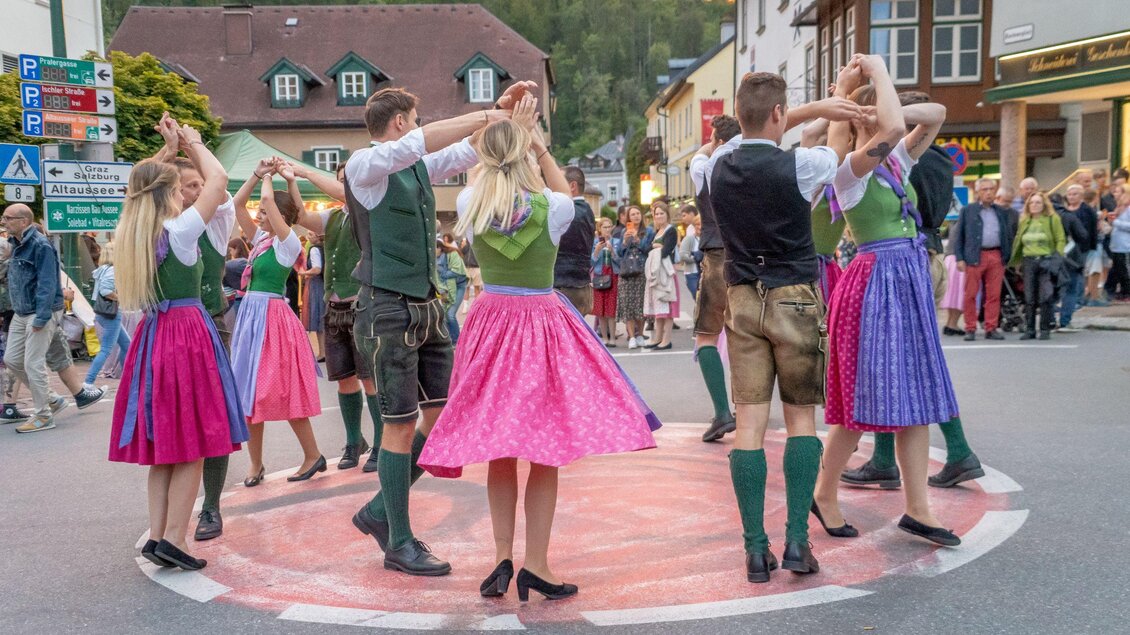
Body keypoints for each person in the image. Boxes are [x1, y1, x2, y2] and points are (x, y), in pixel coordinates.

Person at [417, 99, 658, 599]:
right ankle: (538, 564)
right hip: (540, 326)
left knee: (500, 453)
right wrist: (537, 144)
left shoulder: (471, 206)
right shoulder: (557, 208)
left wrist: (508, 135)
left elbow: (488, 181)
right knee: (543, 452)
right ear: (527, 153)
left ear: (484, 158)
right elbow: (560, 188)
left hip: (490, 325)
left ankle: (501, 559)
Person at [347, 83, 531, 576]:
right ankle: (399, 543)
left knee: (442, 420)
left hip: (425, 306)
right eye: (416, 116)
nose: (419, 124)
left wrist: (507, 119)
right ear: (402, 122)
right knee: (400, 425)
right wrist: (487, 112)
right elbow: (426, 142)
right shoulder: (363, 168)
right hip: (386, 310)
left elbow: (463, 150)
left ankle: (380, 512)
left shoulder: (417, 168)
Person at [706, 70, 863, 582]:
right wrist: (835, 101)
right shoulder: (804, 164)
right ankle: (798, 541)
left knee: (748, 426)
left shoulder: (712, 166)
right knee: (801, 421)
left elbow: (756, 128)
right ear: (779, 114)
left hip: (743, 297)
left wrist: (780, 114)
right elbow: (837, 140)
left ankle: (756, 550)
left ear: (737, 111)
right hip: (796, 295)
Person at [813, 54, 961, 549]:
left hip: (906, 281)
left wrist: (870, 106)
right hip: (874, 284)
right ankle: (823, 492)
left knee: (914, 401)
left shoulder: (894, 163)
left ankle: (918, 509)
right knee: (860, 406)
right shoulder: (849, 174)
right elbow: (897, 122)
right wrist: (875, 72)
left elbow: (935, 114)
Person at [108, 123, 248, 571]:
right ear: (170, 192)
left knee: (164, 446)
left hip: (154, 334)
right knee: (193, 442)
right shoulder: (182, 229)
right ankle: (175, 538)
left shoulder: (133, 234)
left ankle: (157, 535)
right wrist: (193, 143)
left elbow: (140, 187)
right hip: (186, 331)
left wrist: (168, 152)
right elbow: (220, 181)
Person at [841, 93, 986, 491]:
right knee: (910, 359)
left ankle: (945, 452)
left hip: (905, 260)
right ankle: (899, 458)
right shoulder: (938, 158)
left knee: (904, 361)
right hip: (925, 254)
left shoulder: (904, 156)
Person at [280, 161, 385, 472]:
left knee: (370, 380)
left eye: (346, 180)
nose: (343, 186)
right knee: (344, 380)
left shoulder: (371, 208)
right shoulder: (334, 216)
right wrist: (291, 182)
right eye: (340, 180)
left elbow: (348, 194)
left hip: (363, 306)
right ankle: (355, 441)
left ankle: (381, 442)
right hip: (335, 306)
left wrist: (307, 173)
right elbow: (301, 217)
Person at [230, 163, 325, 487]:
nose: (259, 215)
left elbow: (267, 202)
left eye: (266, 213)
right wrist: (256, 174)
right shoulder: (262, 241)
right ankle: (255, 464)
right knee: (248, 393)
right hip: (252, 319)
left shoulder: (289, 245)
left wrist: (269, 176)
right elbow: (238, 204)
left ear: (281, 217)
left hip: (272, 320)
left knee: (281, 390)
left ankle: (312, 455)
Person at [690, 114, 742, 441]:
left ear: (716, 139)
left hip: (718, 252)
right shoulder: (756, 160)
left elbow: (699, 156)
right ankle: (750, 412)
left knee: (706, 333)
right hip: (753, 253)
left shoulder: (705, 166)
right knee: (748, 336)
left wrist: (710, 145)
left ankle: (722, 411)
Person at [1, 204, 65, 432]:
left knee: (32, 363)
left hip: (39, 311)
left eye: (8, 218)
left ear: (24, 221)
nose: (4, 221)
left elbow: (47, 283)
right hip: (21, 311)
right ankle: (52, 399)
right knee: (12, 359)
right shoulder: (16, 243)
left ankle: (43, 415)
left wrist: (41, 317)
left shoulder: (40, 245)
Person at [953, 178, 1015, 341]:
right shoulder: (968, 211)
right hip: (974, 256)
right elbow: (959, 236)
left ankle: (991, 327)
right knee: (970, 294)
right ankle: (970, 327)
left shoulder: (1001, 211)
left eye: (991, 189)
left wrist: (1006, 256)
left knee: (994, 295)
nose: (988, 192)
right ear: (978, 192)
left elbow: (1007, 234)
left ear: (995, 192)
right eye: (984, 189)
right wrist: (959, 258)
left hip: (996, 255)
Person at [1009, 192, 1066, 340]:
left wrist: (1057, 258)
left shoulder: (1052, 219)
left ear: (1044, 204)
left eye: (1038, 202)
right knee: (1029, 297)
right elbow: (1019, 241)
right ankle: (1030, 329)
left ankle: (1045, 329)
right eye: (1032, 202)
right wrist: (1017, 261)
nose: (1034, 205)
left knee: (1046, 296)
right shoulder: (1025, 220)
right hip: (1028, 261)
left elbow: (1060, 239)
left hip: (1046, 260)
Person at [84, 242, 131, 389]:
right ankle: (88, 382)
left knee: (127, 345)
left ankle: (127, 379)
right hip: (112, 313)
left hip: (103, 314)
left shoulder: (102, 270)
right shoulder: (112, 270)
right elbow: (105, 291)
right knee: (106, 349)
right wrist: (121, 298)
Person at [553, 167, 596, 315]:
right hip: (578, 286)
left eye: (557, 180)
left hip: (566, 287)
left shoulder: (572, 212)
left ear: (572, 186)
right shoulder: (585, 209)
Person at [1056, 184, 1098, 330]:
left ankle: (1072, 308)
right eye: (1069, 193)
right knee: (1068, 282)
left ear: (1081, 196)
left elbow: (1090, 232)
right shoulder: (1063, 211)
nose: (1072, 196)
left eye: (1075, 194)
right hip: (1064, 251)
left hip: (1080, 251)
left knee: (1074, 280)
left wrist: (1088, 249)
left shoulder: (1087, 211)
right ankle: (1066, 312)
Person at [643, 203, 678, 349]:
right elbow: (646, 249)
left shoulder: (671, 231)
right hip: (656, 273)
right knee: (658, 309)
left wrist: (656, 247)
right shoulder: (657, 231)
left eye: (661, 213)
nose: (658, 216)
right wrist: (656, 246)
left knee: (667, 308)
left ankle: (666, 339)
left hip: (666, 273)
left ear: (667, 215)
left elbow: (666, 251)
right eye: (656, 214)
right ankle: (657, 338)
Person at [616, 206, 650, 349]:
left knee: (640, 304)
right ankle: (631, 336)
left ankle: (640, 334)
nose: (636, 216)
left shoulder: (648, 231)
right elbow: (619, 252)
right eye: (632, 214)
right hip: (626, 273)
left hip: (641, 271)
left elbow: (648, 249)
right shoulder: (624, 231)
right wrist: (624, 241)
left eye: (637, 214)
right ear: (628, 218)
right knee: (628, 305)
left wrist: (637, 239)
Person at [591, 217, 621, 345]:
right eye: (605, 227)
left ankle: (613, 338)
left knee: (611, 308)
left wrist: (612, 251)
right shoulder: (594, 243)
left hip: (612, 275)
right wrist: (597, 251)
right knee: (600, 309)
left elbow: (619, 261)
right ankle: (604, 338)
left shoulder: (617, 242)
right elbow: (591, 262)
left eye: (609, 227)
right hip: (599, 275)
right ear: (599, 229)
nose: (608, 230)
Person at [437, 239, 468, 346]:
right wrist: (441, 291)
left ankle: (457, 341)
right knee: (444, 314)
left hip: (459, 285)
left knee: (450, 314)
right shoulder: (433, 259)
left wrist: (444, 274)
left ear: (439, 248)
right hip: (445, 288)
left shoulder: (452, 253)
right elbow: (436, 278)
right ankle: (449, 340)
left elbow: (457, 271)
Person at [302, 232, 327, 361]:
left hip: (316, 285)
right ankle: (324, 351)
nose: (308, 236)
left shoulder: (314, 249)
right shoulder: (325, 247)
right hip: (323, 283)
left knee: (318, 317)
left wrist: (304, 272)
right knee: (322, 317)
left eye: (311, 234)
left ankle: (322, 352)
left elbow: (316, 269)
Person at [679, 205, 701, 300]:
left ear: (691, 214)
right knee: (697, 297)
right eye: (697, 225)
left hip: (703, 271)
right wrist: (696, 258)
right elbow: (684, 254)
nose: (699, 227)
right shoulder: (689, 232)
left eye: (684, 215)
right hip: (692, 271)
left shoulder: (707, 236)